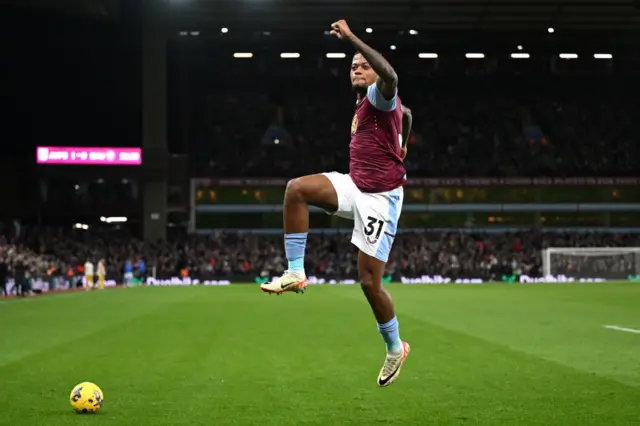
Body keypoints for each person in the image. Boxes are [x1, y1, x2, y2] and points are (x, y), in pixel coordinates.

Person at [260, 19, 413, 387]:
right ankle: (295, 272)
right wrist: (404, 141)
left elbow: (390, 76)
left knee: (368, 283)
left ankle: (395, 347)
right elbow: (407, 115)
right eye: (353, 66)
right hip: (356, 185)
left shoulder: (380, 94)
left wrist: (352, 40)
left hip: (380, 199)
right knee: (296, 189)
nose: (358, 69)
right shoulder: (365, 105)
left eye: (364, 65)